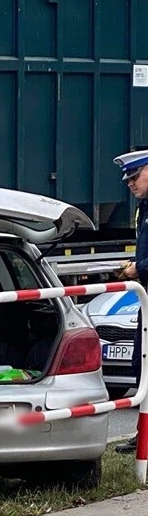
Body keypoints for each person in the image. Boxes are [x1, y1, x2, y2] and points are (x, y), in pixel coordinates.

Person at [113, 150, 148, 454]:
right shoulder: (143, 208)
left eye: (135, 177)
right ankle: (144, 434)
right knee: (141, 365)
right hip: (147, 297)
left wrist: (140, 267)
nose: (130, 184)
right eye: (128, 180)